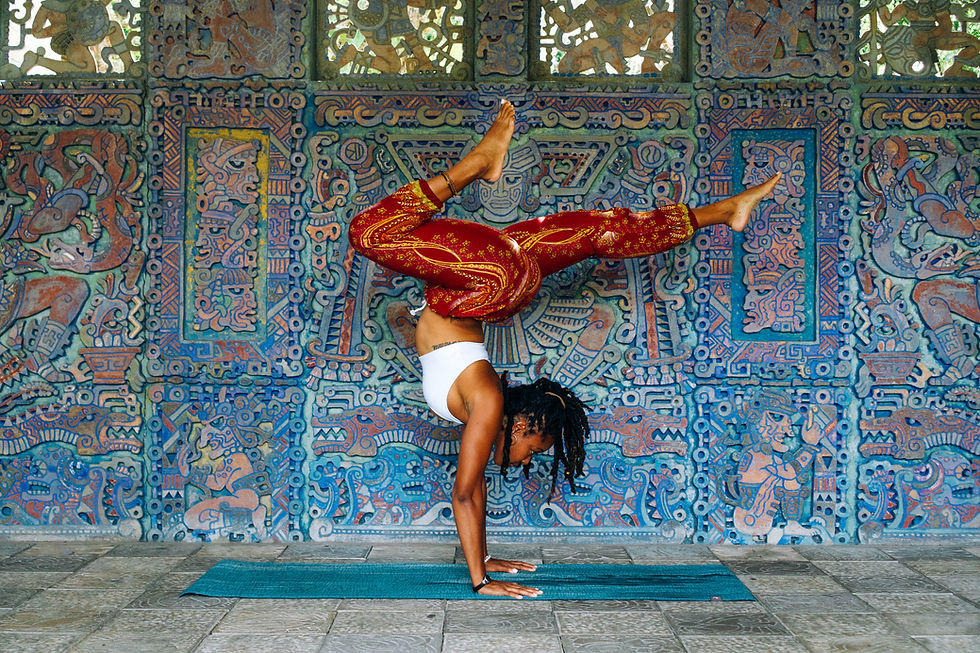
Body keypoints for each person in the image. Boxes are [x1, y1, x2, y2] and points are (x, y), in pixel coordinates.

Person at [348, 100, 781, 598]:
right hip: (493, 280)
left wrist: (484, 557)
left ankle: (721, 212)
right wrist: (481, 579)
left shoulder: (483, 405)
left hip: (486, 280)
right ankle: (480, 162)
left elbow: (475, 488)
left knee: (601, 232)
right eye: (537, 448)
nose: (529, 460)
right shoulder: (486, 403)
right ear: (526, 424)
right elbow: (465, 493)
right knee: (370, 233)